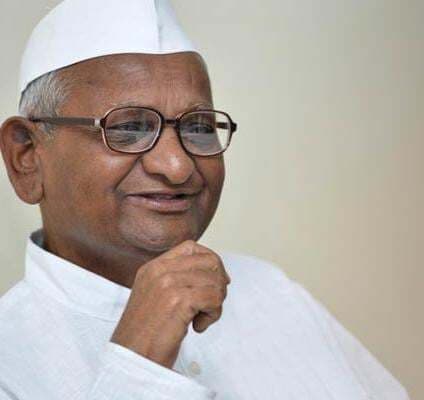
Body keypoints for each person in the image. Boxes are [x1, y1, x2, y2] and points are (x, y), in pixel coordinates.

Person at [0, 0, 410, 399]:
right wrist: (139, 363)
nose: (177, 166)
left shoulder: (271, 291)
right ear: (27, 157)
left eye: (197, 127)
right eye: (128, 128)